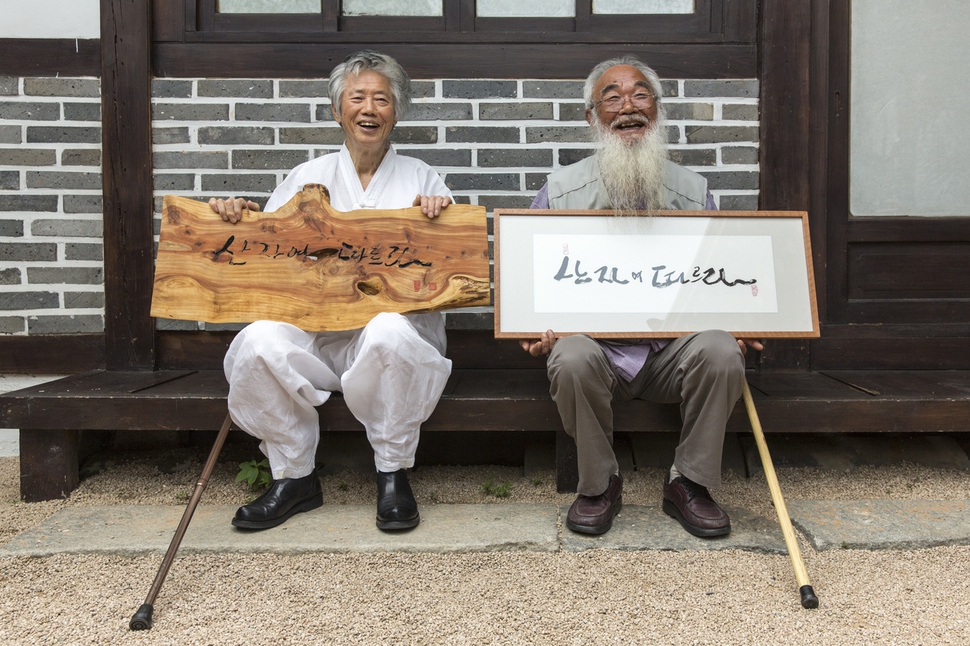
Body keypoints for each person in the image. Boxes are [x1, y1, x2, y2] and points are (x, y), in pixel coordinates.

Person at [208, 51, 454, 532]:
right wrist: (237, 215)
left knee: (388, 329)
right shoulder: (306, 177)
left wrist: (437, 214)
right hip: (316, 337)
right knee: (258, 340)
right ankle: (294, 476)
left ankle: (392, 471)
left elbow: (443, 265)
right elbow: (267, 250)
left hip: (385, 340)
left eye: (381, 99)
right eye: (356, 98)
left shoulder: (421, 177)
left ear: (396, 111)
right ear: (337, 109)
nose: (369, 109)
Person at [523, 55, 764, 538]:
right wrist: (530, 326)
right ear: (592, 117)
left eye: (640, 95)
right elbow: (530, 284)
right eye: (612, 96)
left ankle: (689, 483)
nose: (627, 106)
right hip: (596, 350)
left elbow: (719, 280)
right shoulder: (560, 192)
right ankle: (599, 484)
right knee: (569, 356)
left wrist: (744, 320)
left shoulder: (696, 194)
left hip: (671, 351)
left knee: (720, 349)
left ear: (657, 111)